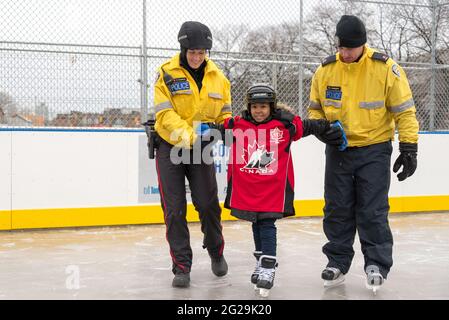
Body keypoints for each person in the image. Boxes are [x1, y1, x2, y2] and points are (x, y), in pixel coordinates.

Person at [308, 15, 419, 293]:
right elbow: (314, 110)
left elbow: (405, 111)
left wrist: (409, 147)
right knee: (337, 209)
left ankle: (377, 264)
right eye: (342, 48)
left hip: (374, 149)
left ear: (363, 45)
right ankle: (337, 262)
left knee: (372, 210)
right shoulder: (325, 71)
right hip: (339, 150)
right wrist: (323, 129)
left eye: (351, 49)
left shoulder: (385, 69)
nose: (345, 54)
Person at [218, 83, 341, 297]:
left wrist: (329, 127)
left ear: (272, 106)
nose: (259, 111)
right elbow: (217, 129)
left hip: (273, 190)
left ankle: (268, 265)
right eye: (255, 106)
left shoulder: (285, 125)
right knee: (256, 224)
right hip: (249, 189)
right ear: (248, 107)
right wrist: (195, 130)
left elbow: (310, 125)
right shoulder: (237, 125)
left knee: (266, 224)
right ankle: (262, 263)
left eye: (263, 106)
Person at [152, 21, 232, 288]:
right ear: (183, 49)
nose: (197, 57)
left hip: (202, 150)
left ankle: (215, 250)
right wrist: (193, 137)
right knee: (174, 210)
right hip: (171, 146)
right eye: (192, 52)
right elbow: (165, 115)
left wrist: (226, 130)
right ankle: (182, 266)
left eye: (202, 52)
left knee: (208, 205)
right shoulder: (166, 74)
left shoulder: (219, 79)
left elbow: (225, 115)